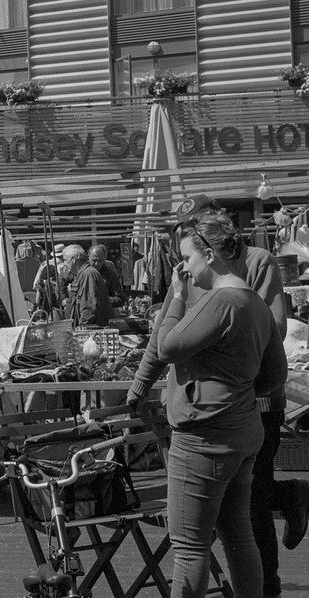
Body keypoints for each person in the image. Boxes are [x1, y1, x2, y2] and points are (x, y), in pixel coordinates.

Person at [133, 194, 308, 598]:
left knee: (194, 544)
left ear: (208, 250)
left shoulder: (227, 291)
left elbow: (167, 346)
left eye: (188, 256)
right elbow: (275, 369)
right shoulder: (246, 297)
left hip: (208, 430)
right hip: (241, 423)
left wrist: (219, 387)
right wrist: (239, 387)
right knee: (239, 530)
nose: (183, 268)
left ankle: (270, 584)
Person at [63, 243, 111, 327]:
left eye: (65, 259)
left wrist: (83, 329)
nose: (64, 263)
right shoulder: (83, 274)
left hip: (90, 332)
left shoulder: (88, 274)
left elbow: (89, 307)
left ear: (73, 259)